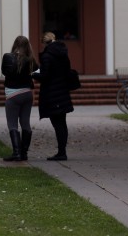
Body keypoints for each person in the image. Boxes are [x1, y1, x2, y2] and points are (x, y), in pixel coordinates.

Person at [33, 32, 74, 161]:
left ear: (45, 42)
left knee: (57, 124)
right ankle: (62, 151)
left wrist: (33, 74)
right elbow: (67, 71)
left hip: (52, 93)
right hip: (62, 91)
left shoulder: (47, 56)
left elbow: (44, 76)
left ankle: (61, 153)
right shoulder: (63, 54)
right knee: (62, 123)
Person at [1, 35, 38, 161]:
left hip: (12, 94)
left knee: (12, 124)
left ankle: (16, 153)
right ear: (27, 45)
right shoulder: (30, 59)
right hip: (27, 94)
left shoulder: (7, 57)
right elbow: (38, 72)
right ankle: (24, 153)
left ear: (15, 44)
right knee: (25, 123)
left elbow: (5, 72)